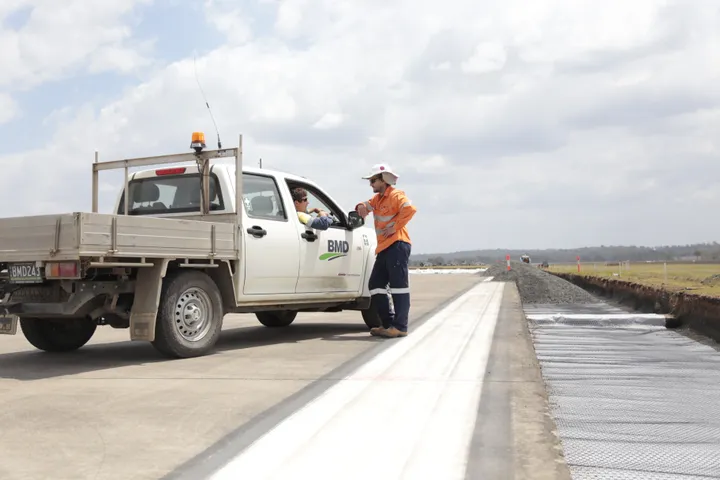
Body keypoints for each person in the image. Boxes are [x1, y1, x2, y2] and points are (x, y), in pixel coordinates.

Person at [355, 164, 417, 338]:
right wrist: (360, 206)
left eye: (373, 180)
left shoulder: (396, 195)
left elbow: (410, 209)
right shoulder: (379, 199)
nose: (371, 184)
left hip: (397, 244)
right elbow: (366, 205)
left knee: (399, 287)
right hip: (384, 247)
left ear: (384, 179)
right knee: (375, 285)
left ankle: (400, 327)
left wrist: (395, 227)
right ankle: (388, 324)